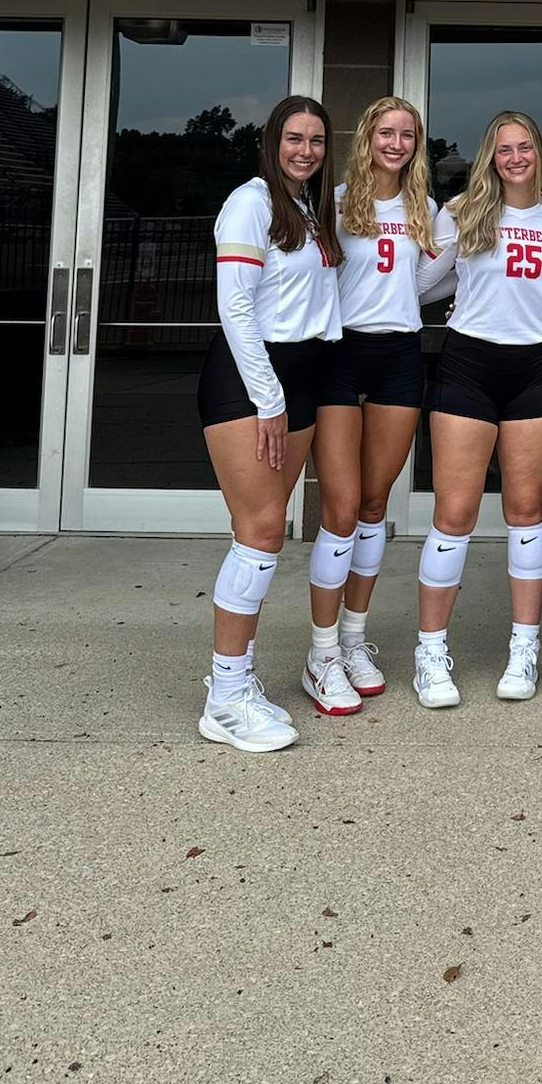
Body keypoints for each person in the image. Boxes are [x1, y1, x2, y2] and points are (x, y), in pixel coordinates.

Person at [195, 96, 343, 753]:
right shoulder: (250, 201)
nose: (305, 149)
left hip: (302, 375)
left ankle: (238, 680)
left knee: (265, 534)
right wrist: (269, 397)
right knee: (257, 534)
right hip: (253, 380)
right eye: (293, 138)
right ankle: (224, 697)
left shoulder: (310, 208)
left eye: (315, 140)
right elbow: (235, 306)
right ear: (271, 141)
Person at [412, 111, 542, 708]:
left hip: (535, 366)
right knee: (454, 513)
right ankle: (430, 651)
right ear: (490, 156)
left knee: (527, 509)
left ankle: (523, 648)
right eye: (503, 149)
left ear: (539, 152)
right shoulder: (462, 212)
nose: (514, 158)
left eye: (524, 146)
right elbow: (424, 283)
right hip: (469, 364)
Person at [304, 96, 450, 713]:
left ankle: (355, 639)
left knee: (372, 502)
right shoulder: (333, 203)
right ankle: (321, 650)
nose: (396, 143)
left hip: (398, 353)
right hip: (340, 351)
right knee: (338, 506)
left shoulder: (426, 209)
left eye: (407, 135)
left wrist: (401, 303)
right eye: (386, 132)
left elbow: (432, 278)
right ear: (367, 137)